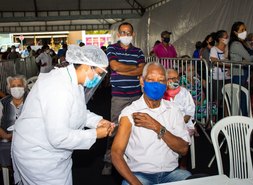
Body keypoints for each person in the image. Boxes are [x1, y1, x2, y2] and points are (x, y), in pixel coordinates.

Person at [11, 45, 115, 185]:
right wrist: (95, 134)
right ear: (86, 67)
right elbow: (59, 137)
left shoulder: (74, 81)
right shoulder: (59, 87)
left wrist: (97, 121)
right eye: (99, 73)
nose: (99, 78)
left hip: (55, 155)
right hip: (38, 156)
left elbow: (77, 110)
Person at [111, 62, 191, 185]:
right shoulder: (130, 113)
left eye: (161, 81)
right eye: (151, 79)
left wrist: (157, 127)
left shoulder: (174, 110)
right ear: (142, 81)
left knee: (190, 179)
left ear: (166, 85)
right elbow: (116, 153)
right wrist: (135, 182)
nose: (156, 84)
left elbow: (183, 149)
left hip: (171, 173)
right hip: (140, 174)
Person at [102, 22, 145, 175]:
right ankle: (109, 160)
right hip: (119, 96)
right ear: (118, 34)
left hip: (136, 95)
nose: (125, 35)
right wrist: (133, 69)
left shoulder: (138, 51)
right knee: (114, 128)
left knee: (136, 128)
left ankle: (132, 159)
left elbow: (142, 69)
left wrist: (124, 70)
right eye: (123, 32)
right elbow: (114, 66)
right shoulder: (112, 48)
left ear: (132, 34)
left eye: (128, 32)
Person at [163, 68, 196, 170]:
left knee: (184, 134)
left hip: (183, 123)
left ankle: (183, 164)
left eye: (177, 78)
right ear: (165, 80)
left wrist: (180, 123)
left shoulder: (184, 92)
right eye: (172, 78)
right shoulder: (161, 93)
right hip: (165, 123)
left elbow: (190, 111)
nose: (175, 81)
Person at [0, 75, 27, 170]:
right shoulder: (3, 103)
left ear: (24, 87)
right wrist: (7, 136)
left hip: (28, 141)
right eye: (13, 86)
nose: (16, 88)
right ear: (9, 88)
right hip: (7, 141)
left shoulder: (31, 101)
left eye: (19, 85)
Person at [209, 30, 231, 115]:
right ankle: (216, 117)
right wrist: (230, 66)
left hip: (228, 77)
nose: (227, 38)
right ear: (220, 38)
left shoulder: (228, 48)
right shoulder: (214, 49)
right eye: (225, 37)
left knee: (227, 99)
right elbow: (215, 62)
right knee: (219, 99)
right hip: (218, 78)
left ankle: (226, 117)